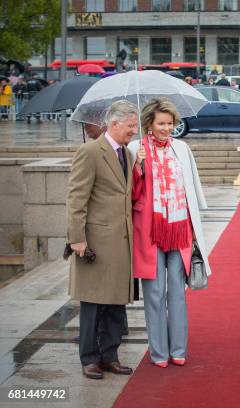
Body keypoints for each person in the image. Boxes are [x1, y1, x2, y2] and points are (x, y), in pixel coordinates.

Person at [128, 99, 211, 367]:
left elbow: (192, 191)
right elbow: (129, 195)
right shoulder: (135, 149)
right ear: (149, 124)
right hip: (148, 232)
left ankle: (178, 349)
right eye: (161, 123)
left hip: (180, 230)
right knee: (154, 294)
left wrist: (196, 231)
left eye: (170, 123)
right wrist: (137, 167)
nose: (166, 128)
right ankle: (159, 352)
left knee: (177, 291)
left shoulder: (182, 148)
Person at [66, 100, 139, 380]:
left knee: (115, 303)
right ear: (114, 124)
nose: (134, 130)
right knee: (93, 303)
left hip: (120, 242)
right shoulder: (90, 151)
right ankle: (89, 359)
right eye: (130, 126)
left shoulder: (129, 155)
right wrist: (77, 239)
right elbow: (76, 198)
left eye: (135, 125)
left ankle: (110, 356)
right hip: (95, 242)